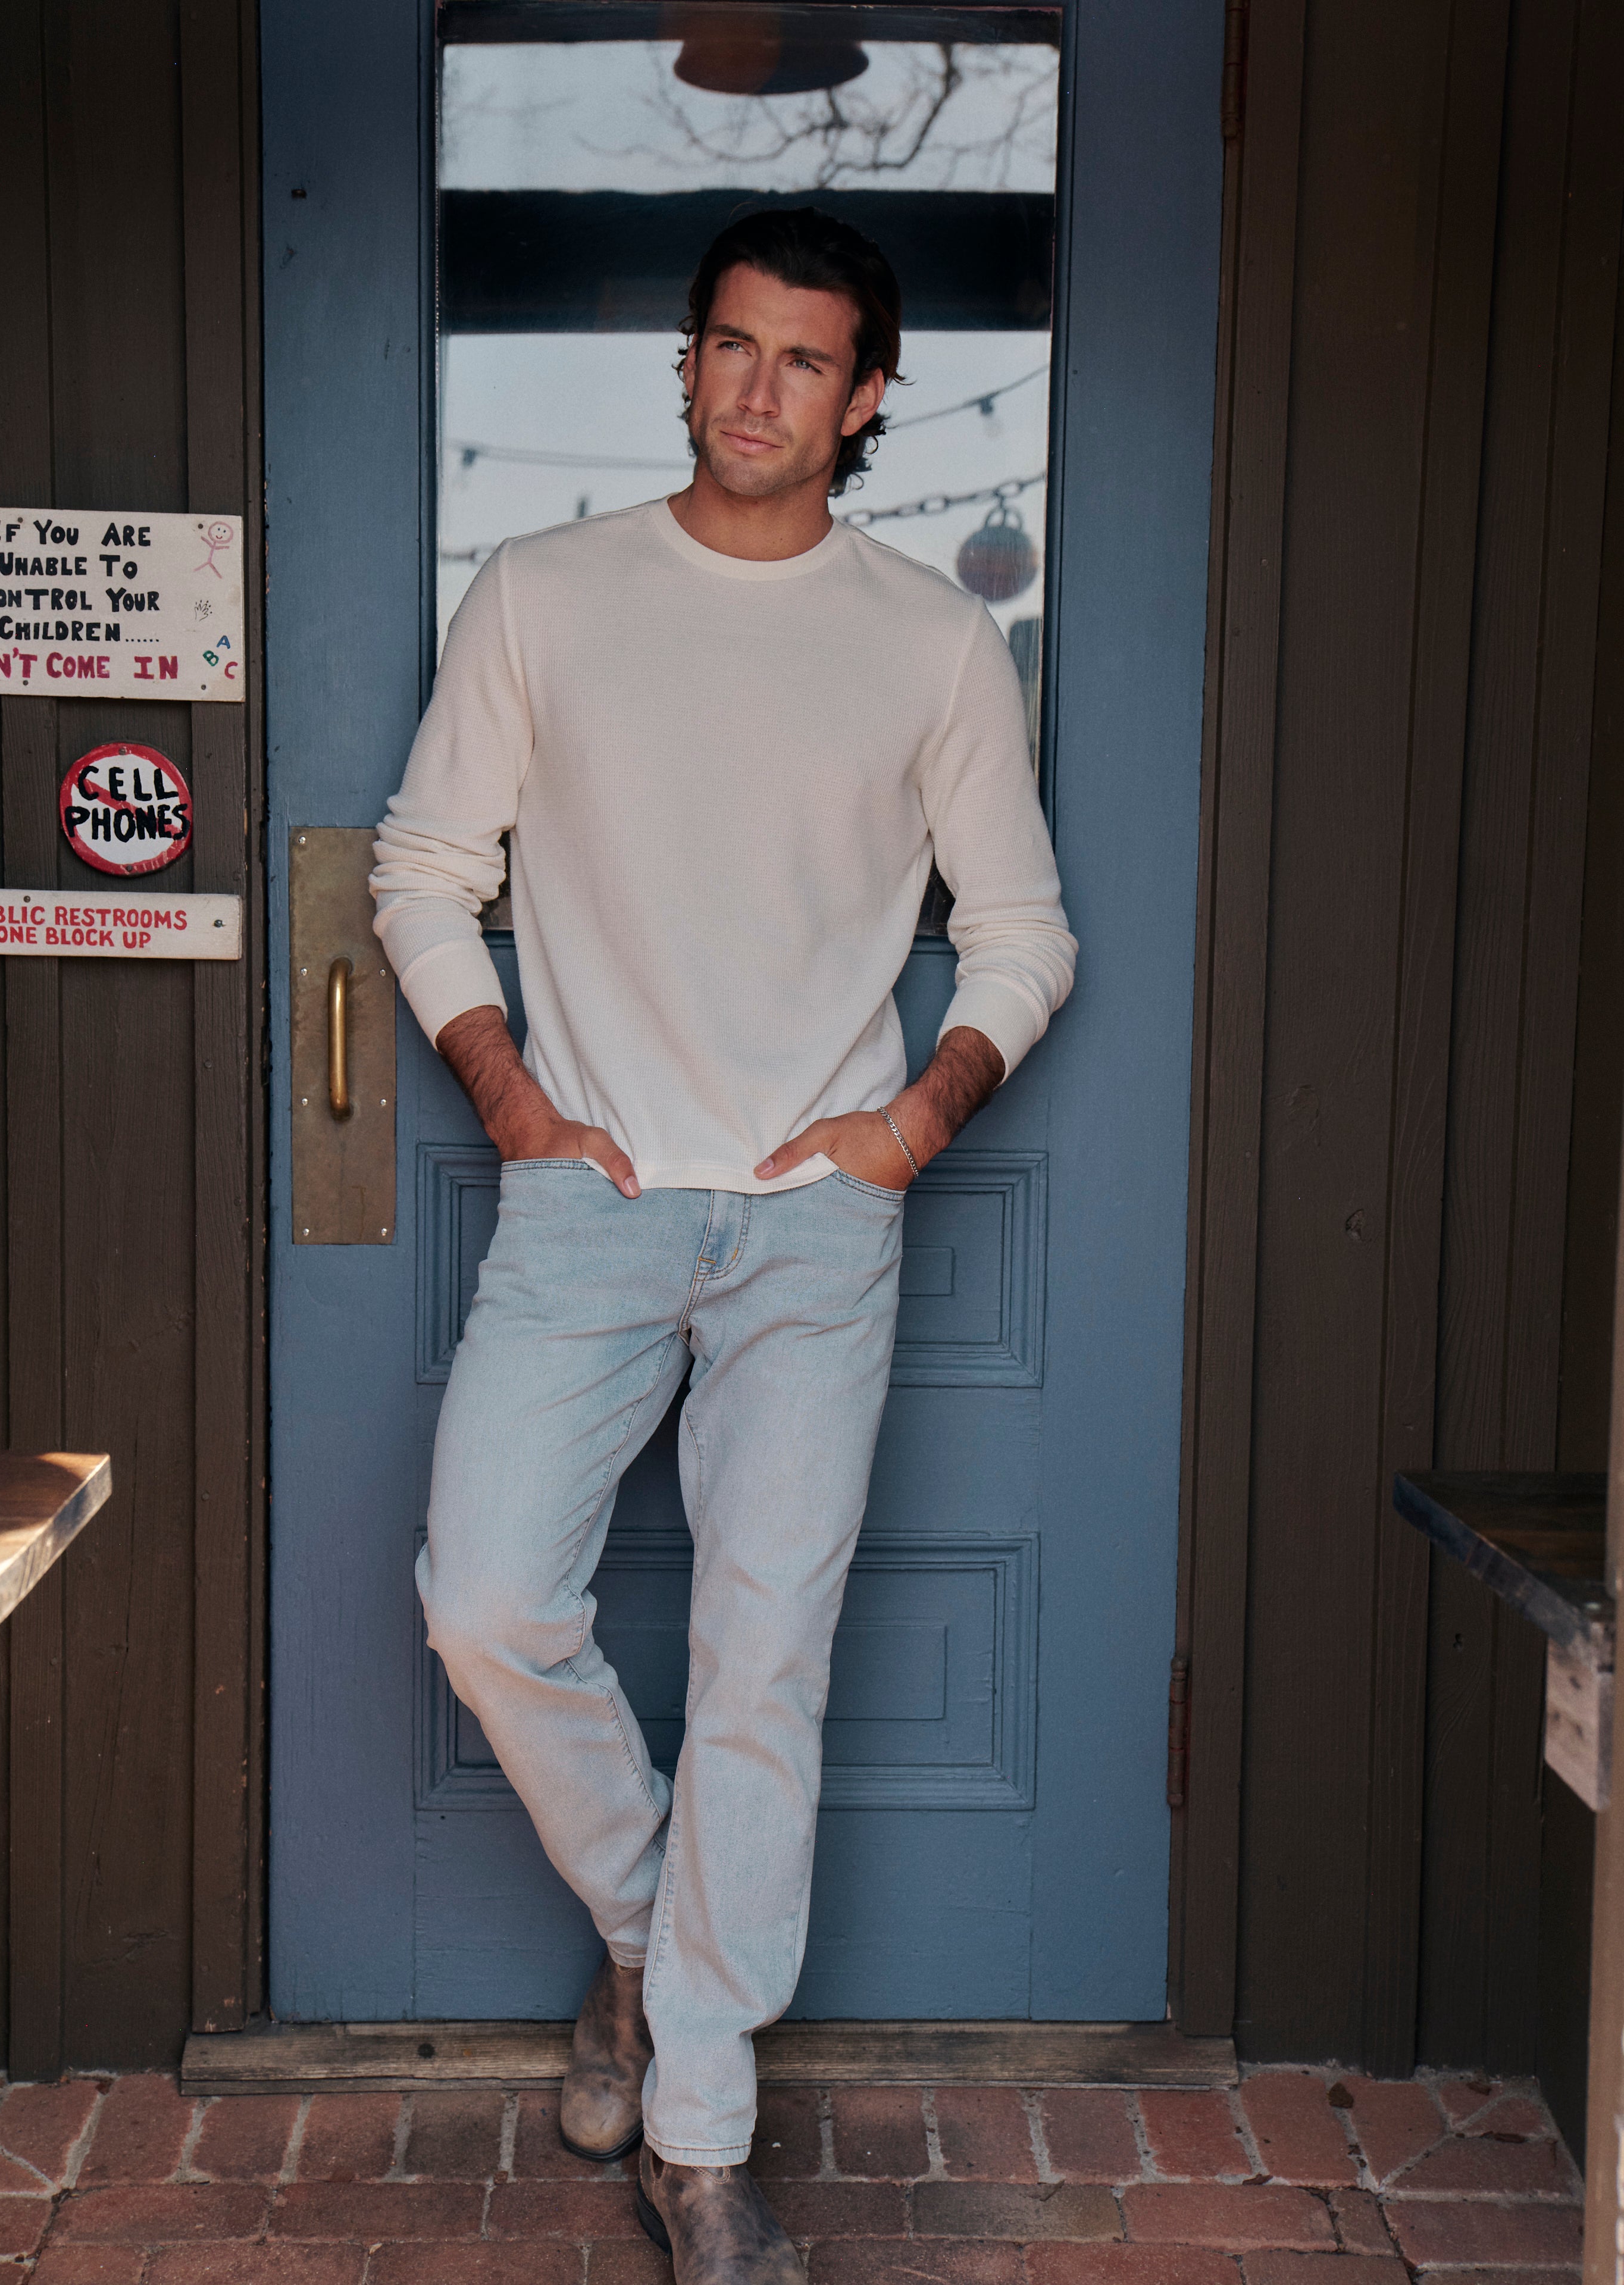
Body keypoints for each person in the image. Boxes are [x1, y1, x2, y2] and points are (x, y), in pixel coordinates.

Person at [370, 205, 1076, 2284]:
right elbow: (424, 869)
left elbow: (1024, 931)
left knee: (764, 1664)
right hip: (585, 1197)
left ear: (867, 400)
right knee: (487, 1599)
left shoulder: (931, 638)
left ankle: (698, 2133)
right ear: (687, 363)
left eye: (805, 362)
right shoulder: (545, 594)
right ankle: (648, 1931)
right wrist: (511, 1098)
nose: (757, 391)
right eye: (729, 349)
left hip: (811, 1228)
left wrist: (911, 1124)